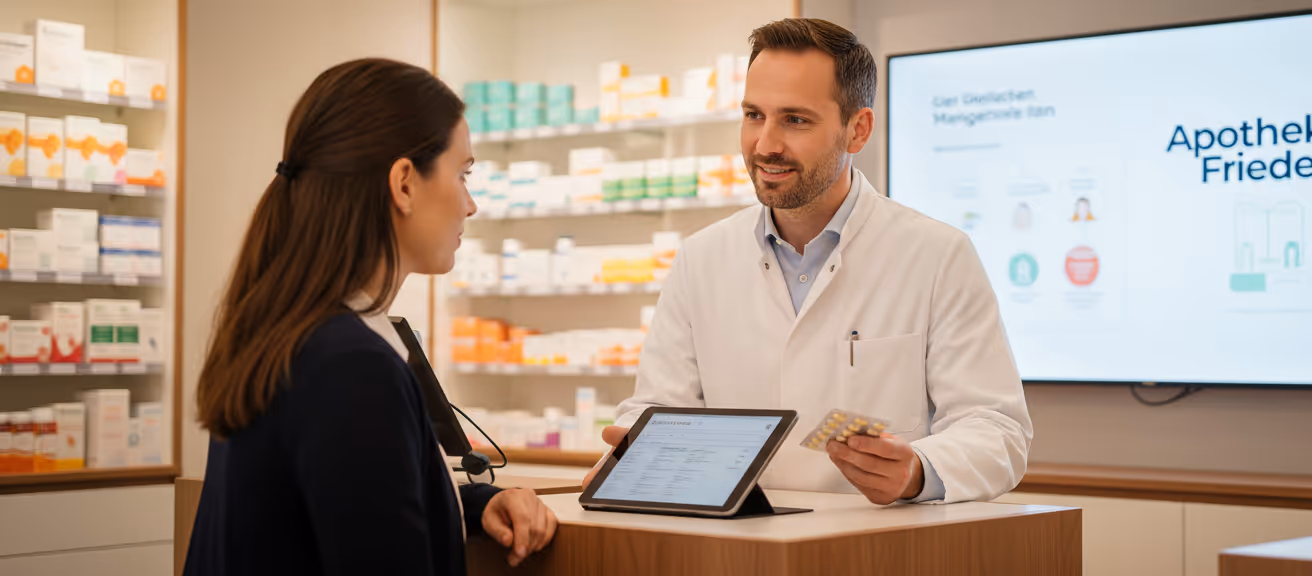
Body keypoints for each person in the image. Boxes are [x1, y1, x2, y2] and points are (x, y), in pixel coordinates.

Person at [582, 19, 1032, 505]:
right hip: (736, 546)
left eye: (795, 119)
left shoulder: (936, 254)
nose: (765, 144)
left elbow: (995, 427)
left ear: (857, 130)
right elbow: (658, 406)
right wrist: (630, 455)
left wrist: (920, 471)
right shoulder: (702, 258)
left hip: (874, 545)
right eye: (754, 115)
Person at [185, 58, 556, 576]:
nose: (470, 205)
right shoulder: (351, 364)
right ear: (404, 183)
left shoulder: (288, 330)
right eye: (463, 174)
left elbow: (339, 508)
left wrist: (476, 505)